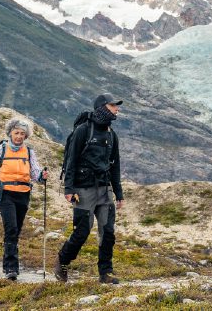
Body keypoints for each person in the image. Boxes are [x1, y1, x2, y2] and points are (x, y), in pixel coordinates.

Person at [55, 93, 125, 284]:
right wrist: (68, 189)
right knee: (82, 232)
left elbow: (115, 165)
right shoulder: (83, 130)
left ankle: (105, 272)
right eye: (113, 106)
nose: (117, 109)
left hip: (104, 189)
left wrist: (119, 193)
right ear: (103, 107)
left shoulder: (112, 135)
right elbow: (71, 160)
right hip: (83, 189)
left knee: (108, 231)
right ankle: (62, 261)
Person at [0, 118, 47, 281]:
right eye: (16, 132)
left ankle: (8, 262)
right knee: (11, 228)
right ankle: (11, 268)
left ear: (26, 136)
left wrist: (41, 176)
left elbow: (35, 172)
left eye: (22, 134)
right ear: (10, 132)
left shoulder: (29, 151)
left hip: (23, 193)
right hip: (6, 194)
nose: (19, 136)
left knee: (16, 230)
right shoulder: (1, 149)